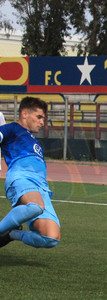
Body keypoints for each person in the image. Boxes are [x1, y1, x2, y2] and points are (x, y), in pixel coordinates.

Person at [0, 97, 60, 248]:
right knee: (35, 206)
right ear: (25, 114)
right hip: (22, 178)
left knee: (51, 238)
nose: (42, 122)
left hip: (42, 187)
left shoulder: (35, 141)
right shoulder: (12, 129)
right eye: (39, 117)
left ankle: (11, 234)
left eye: (43, 118)